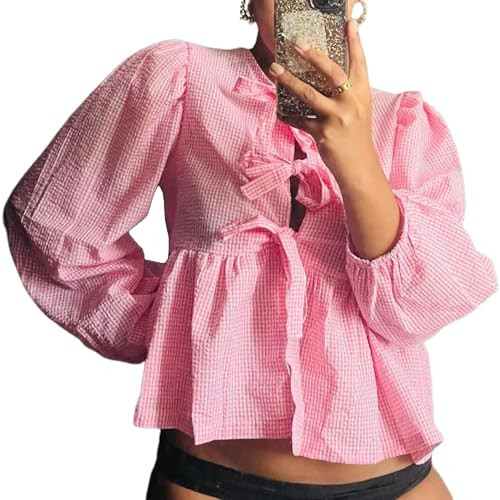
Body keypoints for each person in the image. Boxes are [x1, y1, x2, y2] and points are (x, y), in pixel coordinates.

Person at [3, 0, 497, 498]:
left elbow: (420, 308)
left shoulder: (406, 125)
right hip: (211, 483)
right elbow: (54, 225)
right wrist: (167, 321)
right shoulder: (180, 80)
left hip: (397, 485)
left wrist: (357, 158)